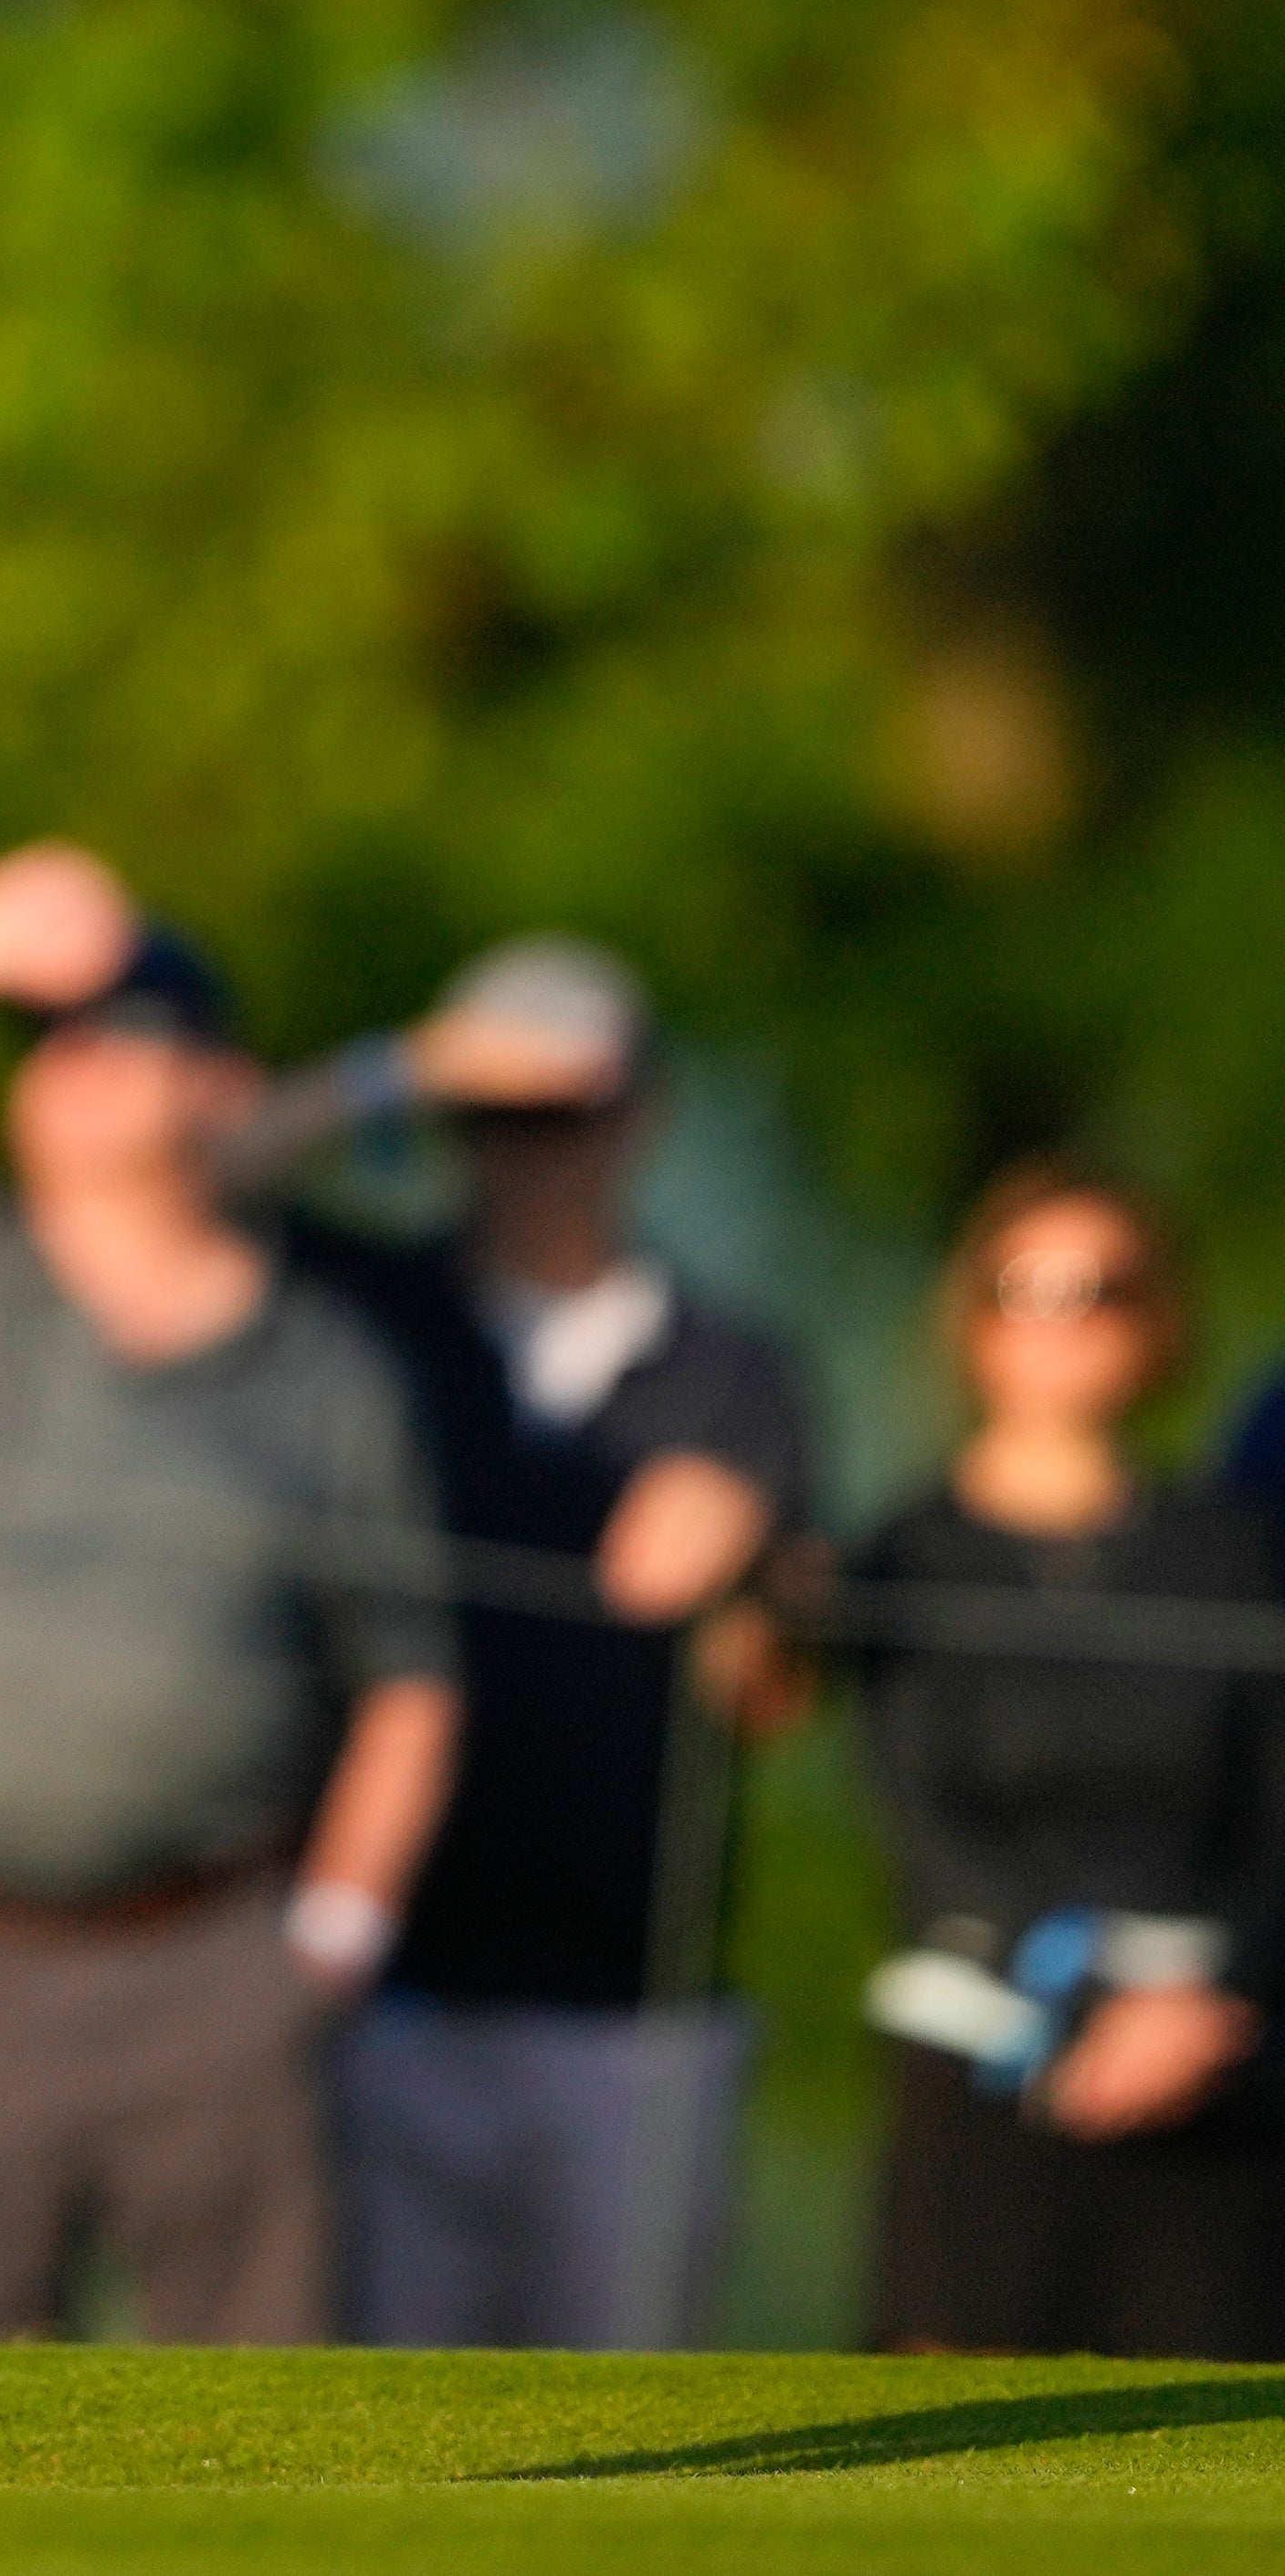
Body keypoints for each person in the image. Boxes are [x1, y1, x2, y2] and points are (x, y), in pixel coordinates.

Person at [0, 844, 459, 2345]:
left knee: (253, 2439)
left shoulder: (327, 1367)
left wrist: (333, 1934)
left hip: (220, 1969)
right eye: (46, 1043)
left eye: (116, 1037)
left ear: (223, 1089)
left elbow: (409, 1680)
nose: (66, 1071)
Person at [277, 937, 812, 2350]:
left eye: (565, 1105)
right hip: (384, 1986)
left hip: (633, 2017)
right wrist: (410, 1062)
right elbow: (196, 1175)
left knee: (635, 2444)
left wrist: (753, 1556)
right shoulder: (363, 1317)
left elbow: (778, 1691)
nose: (529, 1145)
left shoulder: (738, 1373)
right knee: (387, 2449)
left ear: (644, 1113)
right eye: (494, 1112)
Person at [848, 1160, 1285, 2361]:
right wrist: (1096, 1995)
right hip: (983, 2054)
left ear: (1159, 1320)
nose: (1058, 1322)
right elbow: (922, 1816)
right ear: (973, 1316)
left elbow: (1271, 1819)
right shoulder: (906, 1554)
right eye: (1023, 1287)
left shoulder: (1234, 1552)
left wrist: (1192, 2008)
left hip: (1211, 2057)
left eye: (1099, 1290)